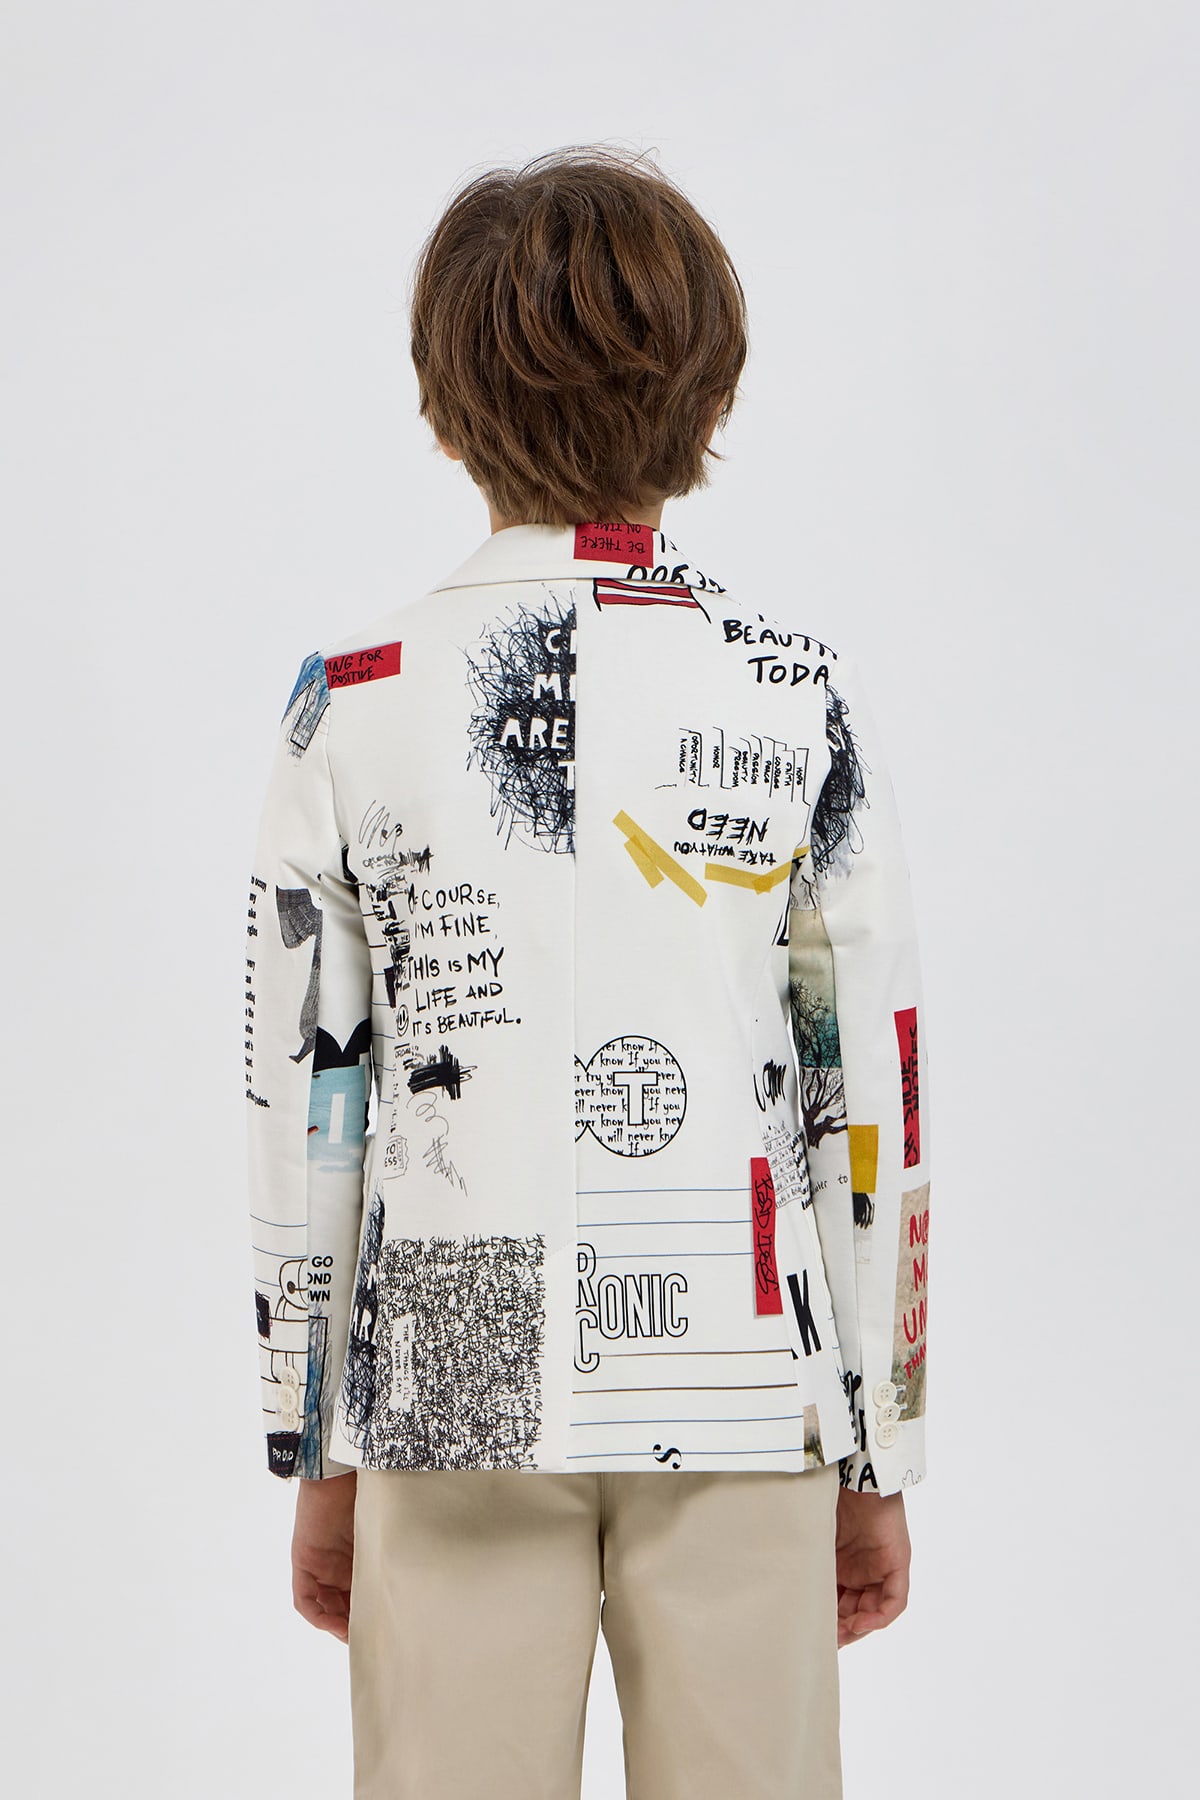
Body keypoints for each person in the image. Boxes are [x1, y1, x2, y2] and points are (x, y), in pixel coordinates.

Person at [243, 143, 931, 1800]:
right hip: (739, 1369)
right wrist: (878, 1443)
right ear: (709, 397)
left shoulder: (356, 698)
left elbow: (307, 1109)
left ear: (444, 402)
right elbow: (867, 1095)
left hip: (449, 1370)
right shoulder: (790, 693)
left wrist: (312, 1440)